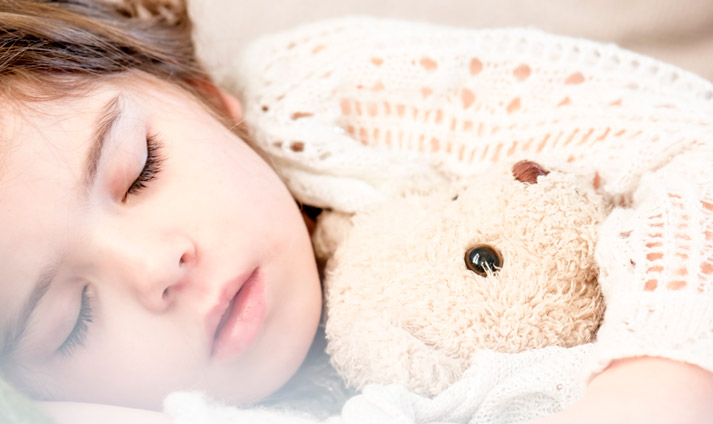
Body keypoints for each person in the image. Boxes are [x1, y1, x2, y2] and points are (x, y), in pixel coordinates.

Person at [0, 1, 711, 424]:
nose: (157, 266)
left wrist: (657, 376)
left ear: (203, 95)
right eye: (72, 321)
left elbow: (687, 138)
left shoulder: (326, 92)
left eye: (141, 172)